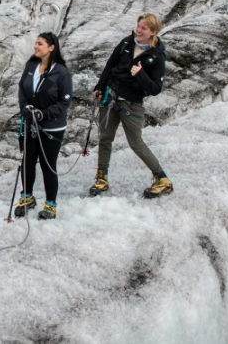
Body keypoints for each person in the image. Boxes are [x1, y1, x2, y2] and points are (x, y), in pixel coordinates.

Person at [89, 13, 172, 199]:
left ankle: (163, 179)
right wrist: (100, 87)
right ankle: (101, 177)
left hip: (131, 104)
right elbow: (110, 66)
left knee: (136, 144)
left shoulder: (157, 56)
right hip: (110, 99)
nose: (139, 30)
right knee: (105, 138)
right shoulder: (127, 43)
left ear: (153, 32)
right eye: (138, 26)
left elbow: (155, 89)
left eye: (143, 28)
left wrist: (141, 74)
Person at [16, 32, 73, 220]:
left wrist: (44, 113)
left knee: (48, 166)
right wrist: (25, 108)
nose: (35, 46)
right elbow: (22, 89)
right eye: (36, 43)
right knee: (27, 162)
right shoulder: (31, 66)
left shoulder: (61, 72)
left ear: (51, 47)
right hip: (30, 124)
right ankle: (27, 197)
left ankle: (50, 204)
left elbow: (64, 103)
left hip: (51, 128)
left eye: (40, 44)